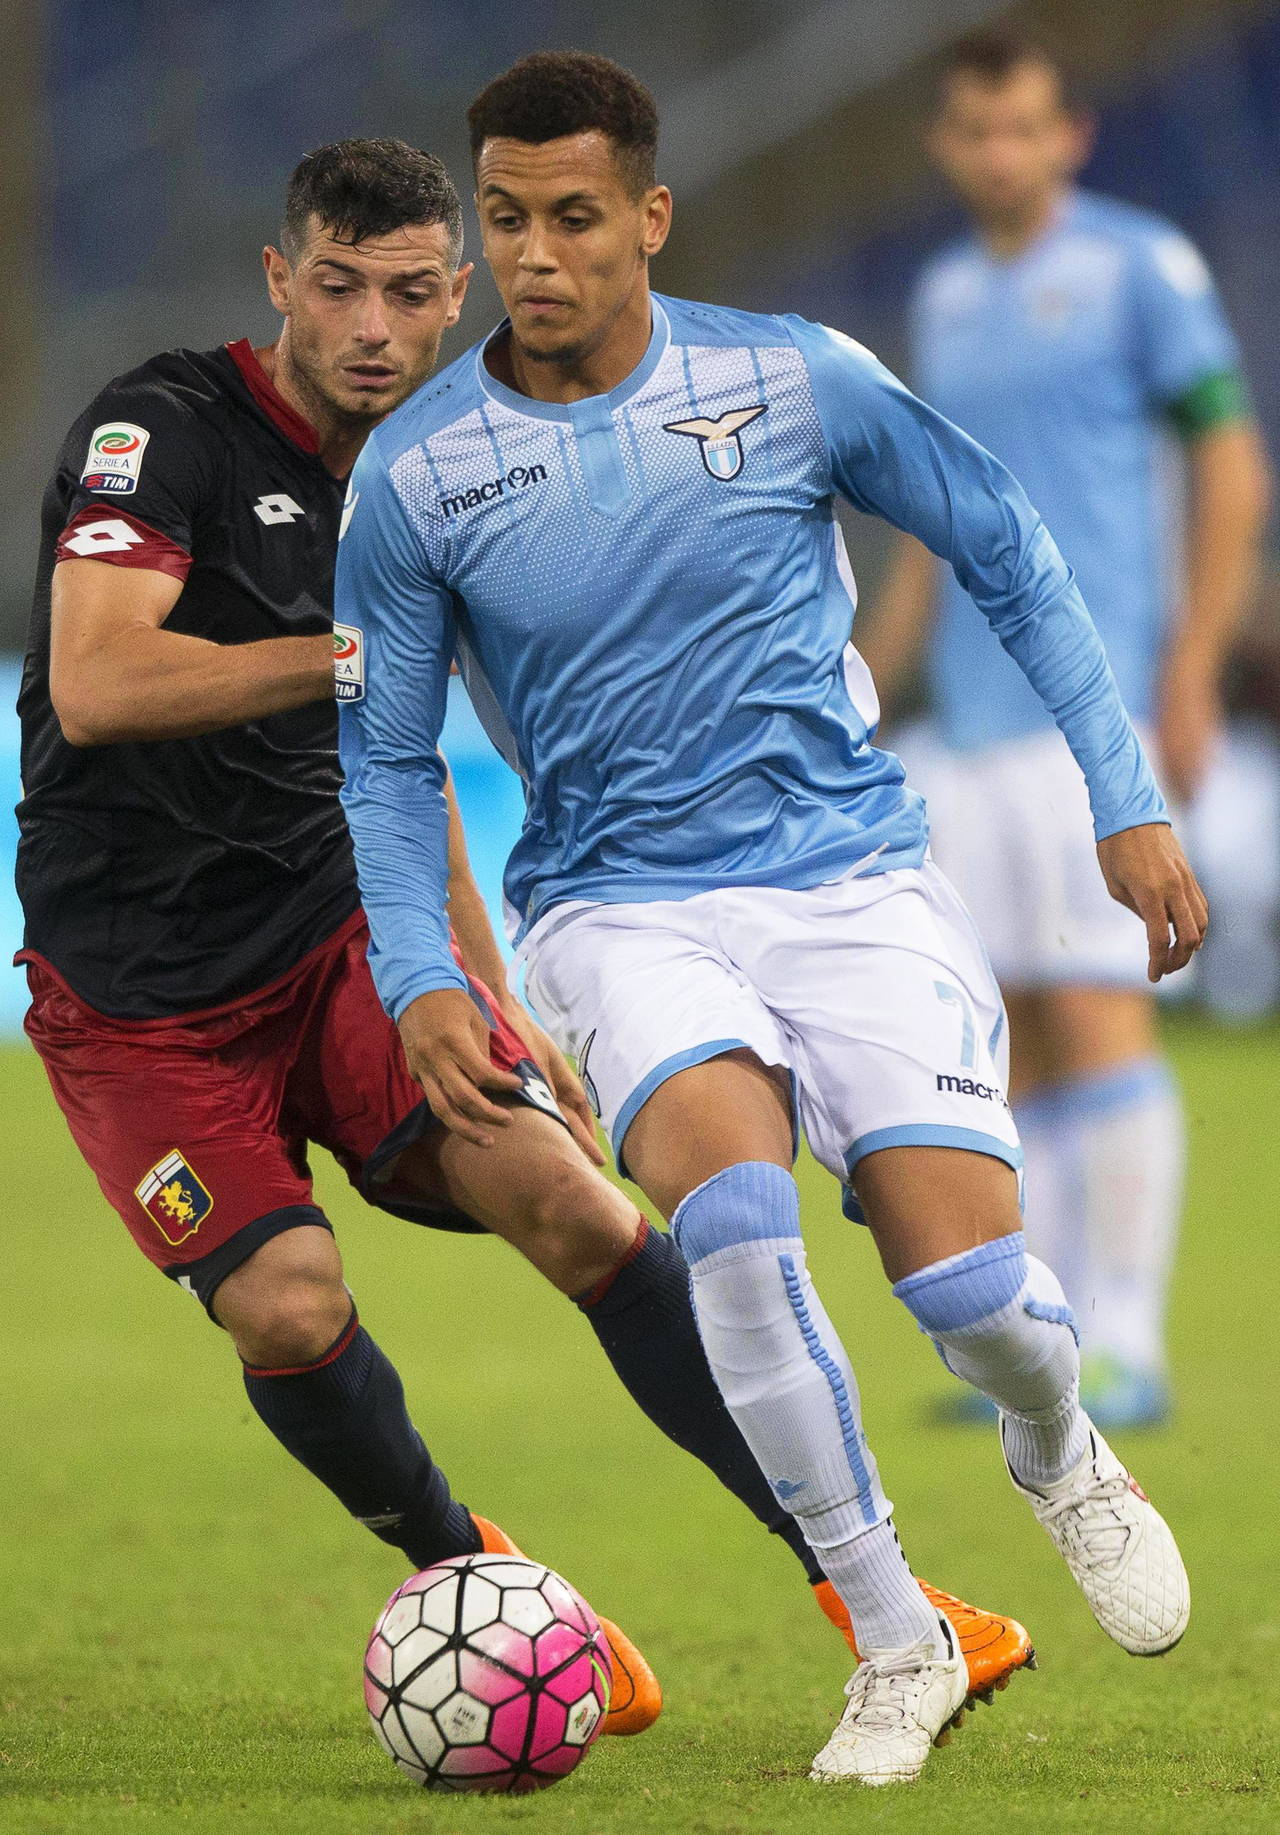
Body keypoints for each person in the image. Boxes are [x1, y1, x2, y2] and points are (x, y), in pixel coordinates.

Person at [15, 137, 1028, 1743]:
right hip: (141, 1000)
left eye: (408, 294)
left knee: (576, 1204)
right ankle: (472, 1573)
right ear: (281, 281)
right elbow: (95, 683)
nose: (371, 327)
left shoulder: (443, 474)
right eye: (337, 287)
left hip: (339, 939)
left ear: (455, 299)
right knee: (285, 1307)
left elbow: (399, 776)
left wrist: (483, 988)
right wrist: (347, 655)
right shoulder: (164, 432)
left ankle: (880, 1598)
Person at [335, 54, 1205, 1787]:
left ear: (651, 217)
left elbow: (1009, 545)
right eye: (506, 220)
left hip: (850, 878)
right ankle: (894, 1636)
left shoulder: (794, 375)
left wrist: (1127, 796)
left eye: (575, 218)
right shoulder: (419, 473)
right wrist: (421, 970)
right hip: (616, 908)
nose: (535, 256)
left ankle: (1055, 1443)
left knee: (973, 1294)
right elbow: (379, 752)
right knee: (731, 1223)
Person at [859, 31, 1271, 1427]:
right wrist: (864, 686)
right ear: (944, 144)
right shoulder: (945, 296)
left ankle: (1134, 1345)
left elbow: (1231, 466)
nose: (1000, 153)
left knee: (1101, 1012)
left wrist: (1195, 666)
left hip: (1096, 710)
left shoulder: (1142, 268)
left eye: (1024, 127)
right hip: (971, 728)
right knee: (1012, 1032)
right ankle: (1049, 1345)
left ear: (1068, 136)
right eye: (976, 130)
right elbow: (938, 525)